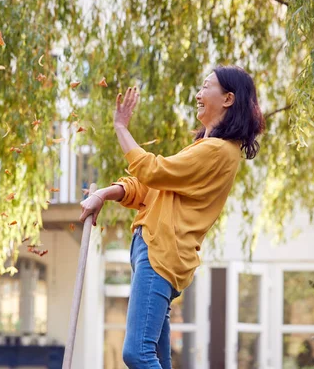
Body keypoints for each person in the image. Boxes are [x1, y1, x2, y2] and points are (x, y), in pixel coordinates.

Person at [79, 66, 264, 369]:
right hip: (154, 251)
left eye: (206, 87)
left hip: (160, 254)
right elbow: (151, 187)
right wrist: (104, 194)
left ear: (228, 98)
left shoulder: (218, 152)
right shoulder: (204, 148)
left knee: (137, 353)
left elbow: (153, 170)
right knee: (157, 359)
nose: (198, 94)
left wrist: (122, 128)